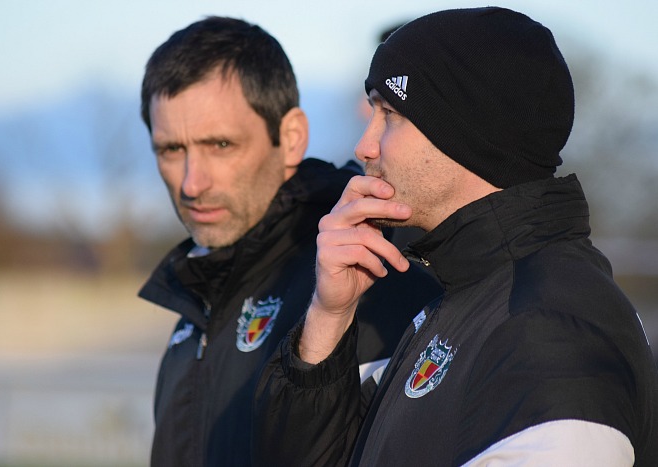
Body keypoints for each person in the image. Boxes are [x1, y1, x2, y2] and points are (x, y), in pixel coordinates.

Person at [254, 7, 658, 466]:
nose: (364, 146)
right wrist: (330, 316)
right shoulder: (457, 298)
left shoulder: (553, 328)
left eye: (389, 114)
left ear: (466, 130)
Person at [137, 16, 442, 466]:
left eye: (220, 145)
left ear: (292, 137)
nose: (191, 183)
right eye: (171, 150)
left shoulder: (372, 279)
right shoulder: (196, 298)